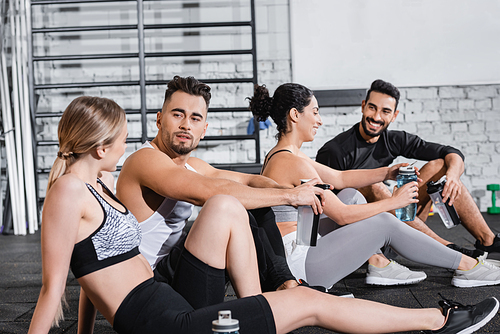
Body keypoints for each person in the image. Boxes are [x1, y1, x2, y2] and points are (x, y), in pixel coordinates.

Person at [27, 95, 500, 334]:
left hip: (163, 305)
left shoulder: (97, 188)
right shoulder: (70, 191)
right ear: (102, 143)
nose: (126, 145)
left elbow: (91, 277)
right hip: (162, 322)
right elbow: (54, 291)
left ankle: (266, 306)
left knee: (294, 289)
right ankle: (438, 320)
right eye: (122, 137)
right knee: (309, 304)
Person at [249, 82, 500, 289]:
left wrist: (388, 172)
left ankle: (379, 264)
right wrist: (394, 202)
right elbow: (343, 216)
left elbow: (341, 179)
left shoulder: (286, 154)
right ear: (295, 115)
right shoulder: (290, 161)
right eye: (314, 112)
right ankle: (467, 266)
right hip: (300, 267)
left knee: (350, 194)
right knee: (385, 223)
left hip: (301, 246)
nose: (320, 120)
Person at [116, 76, 329, 293]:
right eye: (178, 114)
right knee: (231, 205)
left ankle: (284, 285)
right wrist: (290, 197)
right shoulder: (145, 160)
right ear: (159, 120)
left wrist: (290, 190)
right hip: (151, 285)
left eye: (195, 118)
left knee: (252, 199)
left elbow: (248, 180)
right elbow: (210, 192)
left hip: (177, 274)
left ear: (204, 129)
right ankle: (281, 288)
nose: (186, 125)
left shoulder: (193, 166)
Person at [316, 79, 500, 263]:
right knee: (373, 185)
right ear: (363, 107)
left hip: (399, 220)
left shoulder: (394, 140)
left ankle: (488, 241)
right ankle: (447, 248)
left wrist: (453, 176)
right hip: (364, 234)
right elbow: (330, 212)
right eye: (372, 108)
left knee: (440, 166)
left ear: (394, 116)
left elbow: (451, 152)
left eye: (385, 111)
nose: (377, 117)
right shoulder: (335, 151)